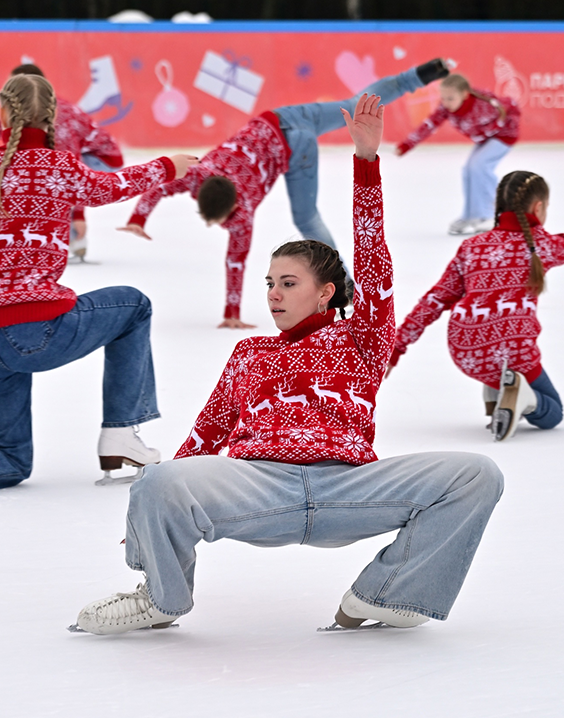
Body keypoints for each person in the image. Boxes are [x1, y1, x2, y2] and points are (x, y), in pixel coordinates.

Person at [74, 95, 504, 636]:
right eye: (270, 283)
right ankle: (161, 599)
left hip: (351, 489)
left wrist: (366, 163)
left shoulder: (361, 338)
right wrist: (153, 504)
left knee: (476, 475)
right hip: (261, 489)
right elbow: (205, 435)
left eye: (289, 283)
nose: (274, 294)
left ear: (326, 293)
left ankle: (385, 596)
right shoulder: (250, 354)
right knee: (158, 477)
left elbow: (374, 260)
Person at [0, 73, 198, 503]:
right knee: (134, 306)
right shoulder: (61, 166)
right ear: (52, 118)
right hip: (37, 332)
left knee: (12, 459)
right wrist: (168, 166)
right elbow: (115, 186)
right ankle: (121, 434)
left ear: (2, 114)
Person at [120, 59, 452, 329]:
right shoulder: (197, 173)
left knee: (307, 218)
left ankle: (344, 286)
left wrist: (232, 313)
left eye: (222, 220)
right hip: (281, 119)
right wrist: (137, 218)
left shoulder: (241, 211)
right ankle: (419, 75)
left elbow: (235, 261)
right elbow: (161, 187)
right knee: (354, 106)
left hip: (296, 148)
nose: (221, 225)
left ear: (234, 206)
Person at [388, 170, 564, 441]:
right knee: (553, 413)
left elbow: (434, 300)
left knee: (494, 354)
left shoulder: (472, 246)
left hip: (466, 350)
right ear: (538, 207)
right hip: (513, 352)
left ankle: (497, 391)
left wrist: (396, 348)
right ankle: (521, 395)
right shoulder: (541, 245)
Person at [0, 63, 124, 262]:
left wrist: (79, 216)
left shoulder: (59, 119)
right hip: (82, 158)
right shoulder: (29, 109)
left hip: (102, 160)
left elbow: (72, 171)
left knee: (48, 179)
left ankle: (74, 239)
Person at [396, 73, 521, 236]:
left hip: (504, 136)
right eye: (443, 98)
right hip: (486, 138)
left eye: (450, 98)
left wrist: (493, 128)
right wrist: (408, 144)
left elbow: (508, 107)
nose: (446, 103)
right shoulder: (446, 108)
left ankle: (490, 214)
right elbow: (431, 123)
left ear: (464, 95)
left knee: (480, 167)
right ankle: (472, 215)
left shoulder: (483, 106)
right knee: (469, 169)